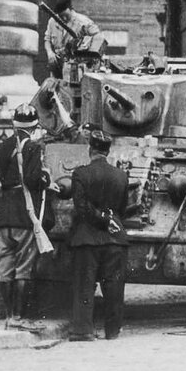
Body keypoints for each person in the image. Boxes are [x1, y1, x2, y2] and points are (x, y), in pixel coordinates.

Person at [68, 130, 130, 341]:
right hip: (115, 238)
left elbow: (82, 208)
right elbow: (122, 207)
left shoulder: (80, 174)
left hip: (86, 238)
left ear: (90, 150)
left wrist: (100, 219)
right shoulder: (121, 175)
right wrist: (110, 220)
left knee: (84, 286)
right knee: (114, 287)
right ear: (108, 151)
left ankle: (83, 330)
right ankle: (112, 331)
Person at [0, 104, 50, 331]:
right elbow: (33, 179)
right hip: (24, 214)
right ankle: (19, 316)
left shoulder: (2, 147)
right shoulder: (33, 148)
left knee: (5, 268)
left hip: (4, 213)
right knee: (24, 268)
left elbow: (2, 176)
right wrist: (46, 180)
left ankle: (9, 316)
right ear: (35, 126)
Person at [43, 0, 102, 78]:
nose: (64, 19)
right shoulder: (52, 21)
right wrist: (50, 53)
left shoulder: (83, 22)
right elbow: (47, 40)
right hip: (57, 63)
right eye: (61, 16)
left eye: (66, 16)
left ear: (71, 10)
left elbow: (98, 37)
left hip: (75, 66)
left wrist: (89, 51)